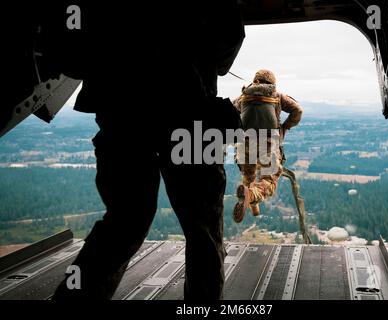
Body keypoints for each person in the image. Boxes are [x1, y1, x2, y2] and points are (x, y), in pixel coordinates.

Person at [52, 1, 245, 300]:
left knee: (124, 222)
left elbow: (70, 55)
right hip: (191, 118)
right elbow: (230, 36)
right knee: (203, 228)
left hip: (123, 116)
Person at [232, 69, 303, 223]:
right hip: (269, 144)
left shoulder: (244, 96)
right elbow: (298, 110)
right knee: (268, 182)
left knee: (248, 176)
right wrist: (285, 127)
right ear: (272, 83)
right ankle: (251, 196)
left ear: (255, 80)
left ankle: (252, 203)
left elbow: (230, 112)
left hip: (245, 145)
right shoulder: (277, 95)